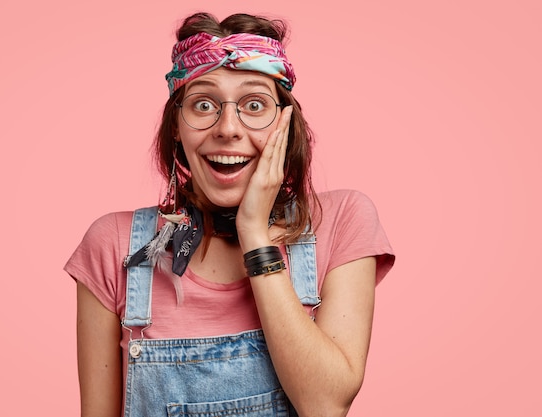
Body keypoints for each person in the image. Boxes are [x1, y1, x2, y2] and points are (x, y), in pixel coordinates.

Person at [64, 12, 395, 417]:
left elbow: (324, 405)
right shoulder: (114, 244)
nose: (228, 128)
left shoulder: (342, 221)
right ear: (175, 127)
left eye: (254, 104)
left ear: (285, 124)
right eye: (203, 104)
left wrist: (254, 234)